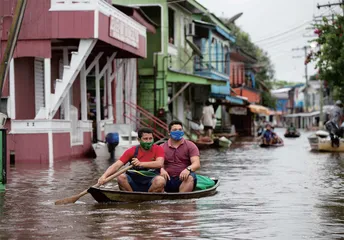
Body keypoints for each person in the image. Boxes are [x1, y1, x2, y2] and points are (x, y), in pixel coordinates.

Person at [98, 128, 166, 192]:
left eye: (150, 138)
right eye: (145, 139)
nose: (148, 141)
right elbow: (116, 165)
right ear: (139, 140)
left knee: (161, 180)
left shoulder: (158, 149)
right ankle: (132, 196)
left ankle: (148, 197)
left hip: (151, 183)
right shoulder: (132, 150)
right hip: (134, 184)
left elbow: (159, 163)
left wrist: (140, 163)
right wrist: (104, 176)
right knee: (121, 177)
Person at [160, 120, 201, 192]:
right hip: (168, 179)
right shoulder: (161, 147)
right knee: (158, 179)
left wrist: (188, 169)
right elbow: (158, 163)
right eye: (175, 130)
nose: (178, 131)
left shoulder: (190, 145)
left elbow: (196, 164)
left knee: (190, 177)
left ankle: (182, 201)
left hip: (185, 178)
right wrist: (161, 170)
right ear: (169, 132)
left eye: (180, 129)